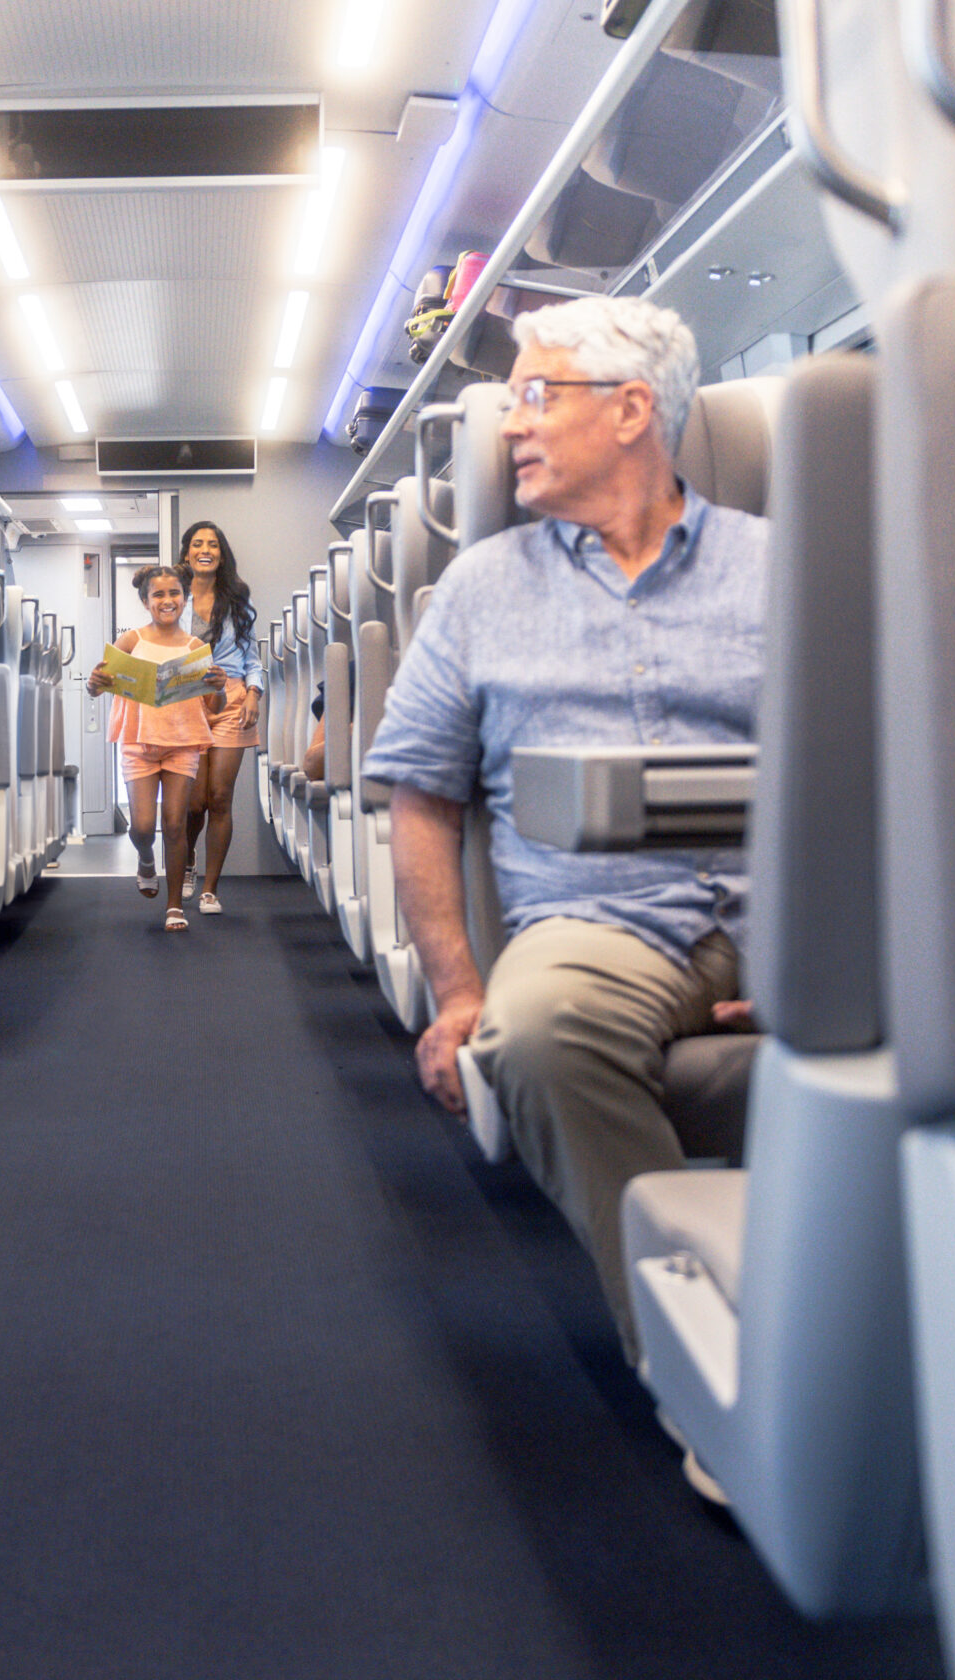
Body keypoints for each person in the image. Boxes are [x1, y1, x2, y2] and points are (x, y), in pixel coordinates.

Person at [361, 296, 763, 1356]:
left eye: (536, 396)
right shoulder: (479, 590)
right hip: (597, 925)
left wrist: (841, 948)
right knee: (533, 1033)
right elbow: (420, 793)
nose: (511, 426)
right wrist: (456, 992)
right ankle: (698, 1350)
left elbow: (871, 768)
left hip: (788, 910)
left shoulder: (780, 567)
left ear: (631, 410)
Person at [86, 563, 220, 931]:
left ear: (185, 598)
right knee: (144, 826)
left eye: (174, 593)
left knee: (175, 825)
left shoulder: (196, 648)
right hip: (138, 741)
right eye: (158, 594)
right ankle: (145, 858)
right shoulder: (132, 641)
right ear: (146, 601)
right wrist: (94, 682)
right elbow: (98, 686)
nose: (167, 600)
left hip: (182, 742)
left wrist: (219, 687)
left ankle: (173, 906)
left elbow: (214, 707)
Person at [175, 521, 262, 914]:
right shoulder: (173, 598)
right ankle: (188, 861)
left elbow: (253, 660)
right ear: (187, 553)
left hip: (231, 700)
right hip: (186, 702)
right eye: (197, 544)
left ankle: (211, 888)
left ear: (221, 555)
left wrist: (254, 695)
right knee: (194, 805)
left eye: (212, 544)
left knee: (220, 798)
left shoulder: (237, 602)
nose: (205, 549)